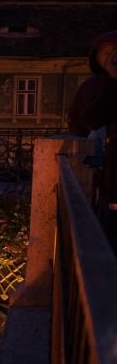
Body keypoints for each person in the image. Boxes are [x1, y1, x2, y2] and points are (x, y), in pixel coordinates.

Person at [71, 31, 117, 245]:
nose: (111, 58)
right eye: (106, 53)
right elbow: (87, 119)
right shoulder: (92, 86)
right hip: (103, 164)